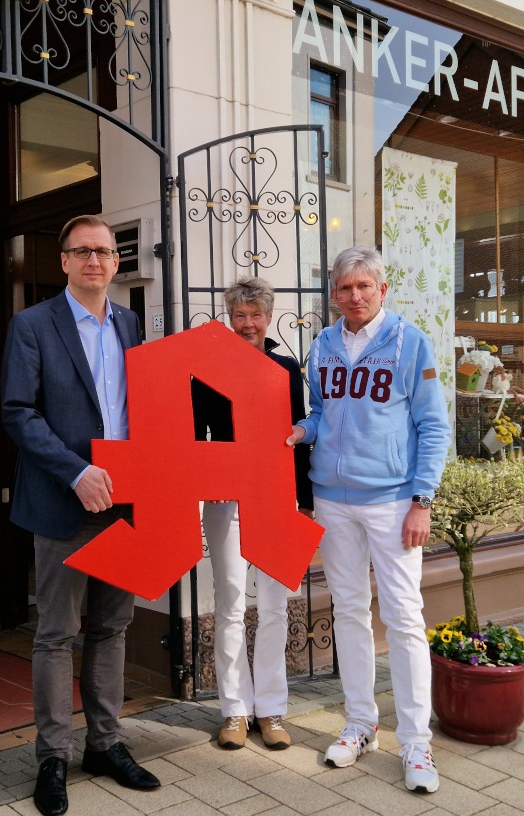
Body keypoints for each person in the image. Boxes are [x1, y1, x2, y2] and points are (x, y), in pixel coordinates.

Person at [0, 215, 160, 816]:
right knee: (55, 634)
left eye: (104, 251)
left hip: (123, 501)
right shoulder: (33, 324)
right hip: (65, 501)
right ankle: (53, 758)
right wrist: (75, 471)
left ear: (116, 263)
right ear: (63, 261)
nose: (95, 260)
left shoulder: (130, 324)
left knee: (112, 627)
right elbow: (18, 412)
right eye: (82, 251)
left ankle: (106, 744)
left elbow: (139, 410)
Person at [286, 246, 450, 794]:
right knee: (350, 612)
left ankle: (416, 743)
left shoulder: (409, 342)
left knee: (403, 618)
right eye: (344, 287)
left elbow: (433, 425)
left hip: (393, 503)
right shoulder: (324, 346)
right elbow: (319, 413)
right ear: (333, 293)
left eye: (364, 286)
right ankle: (360, 724)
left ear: (382, 290)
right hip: (334, 499)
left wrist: (421, 501)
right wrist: (301, 432)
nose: (354, 296)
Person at [192, 276, 313, 751]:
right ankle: (234, 712)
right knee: (230, 606)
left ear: (268, 317)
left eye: (254, 315)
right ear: (229, 317)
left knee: (277, 605)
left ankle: (272, 710)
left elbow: (297, 441)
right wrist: (210, 486)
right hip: (228, 502)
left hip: (278, 499)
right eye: (239, 315)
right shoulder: (207, 370)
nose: (247, 323)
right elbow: (199, 439)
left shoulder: (286, 369)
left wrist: (302, 501)